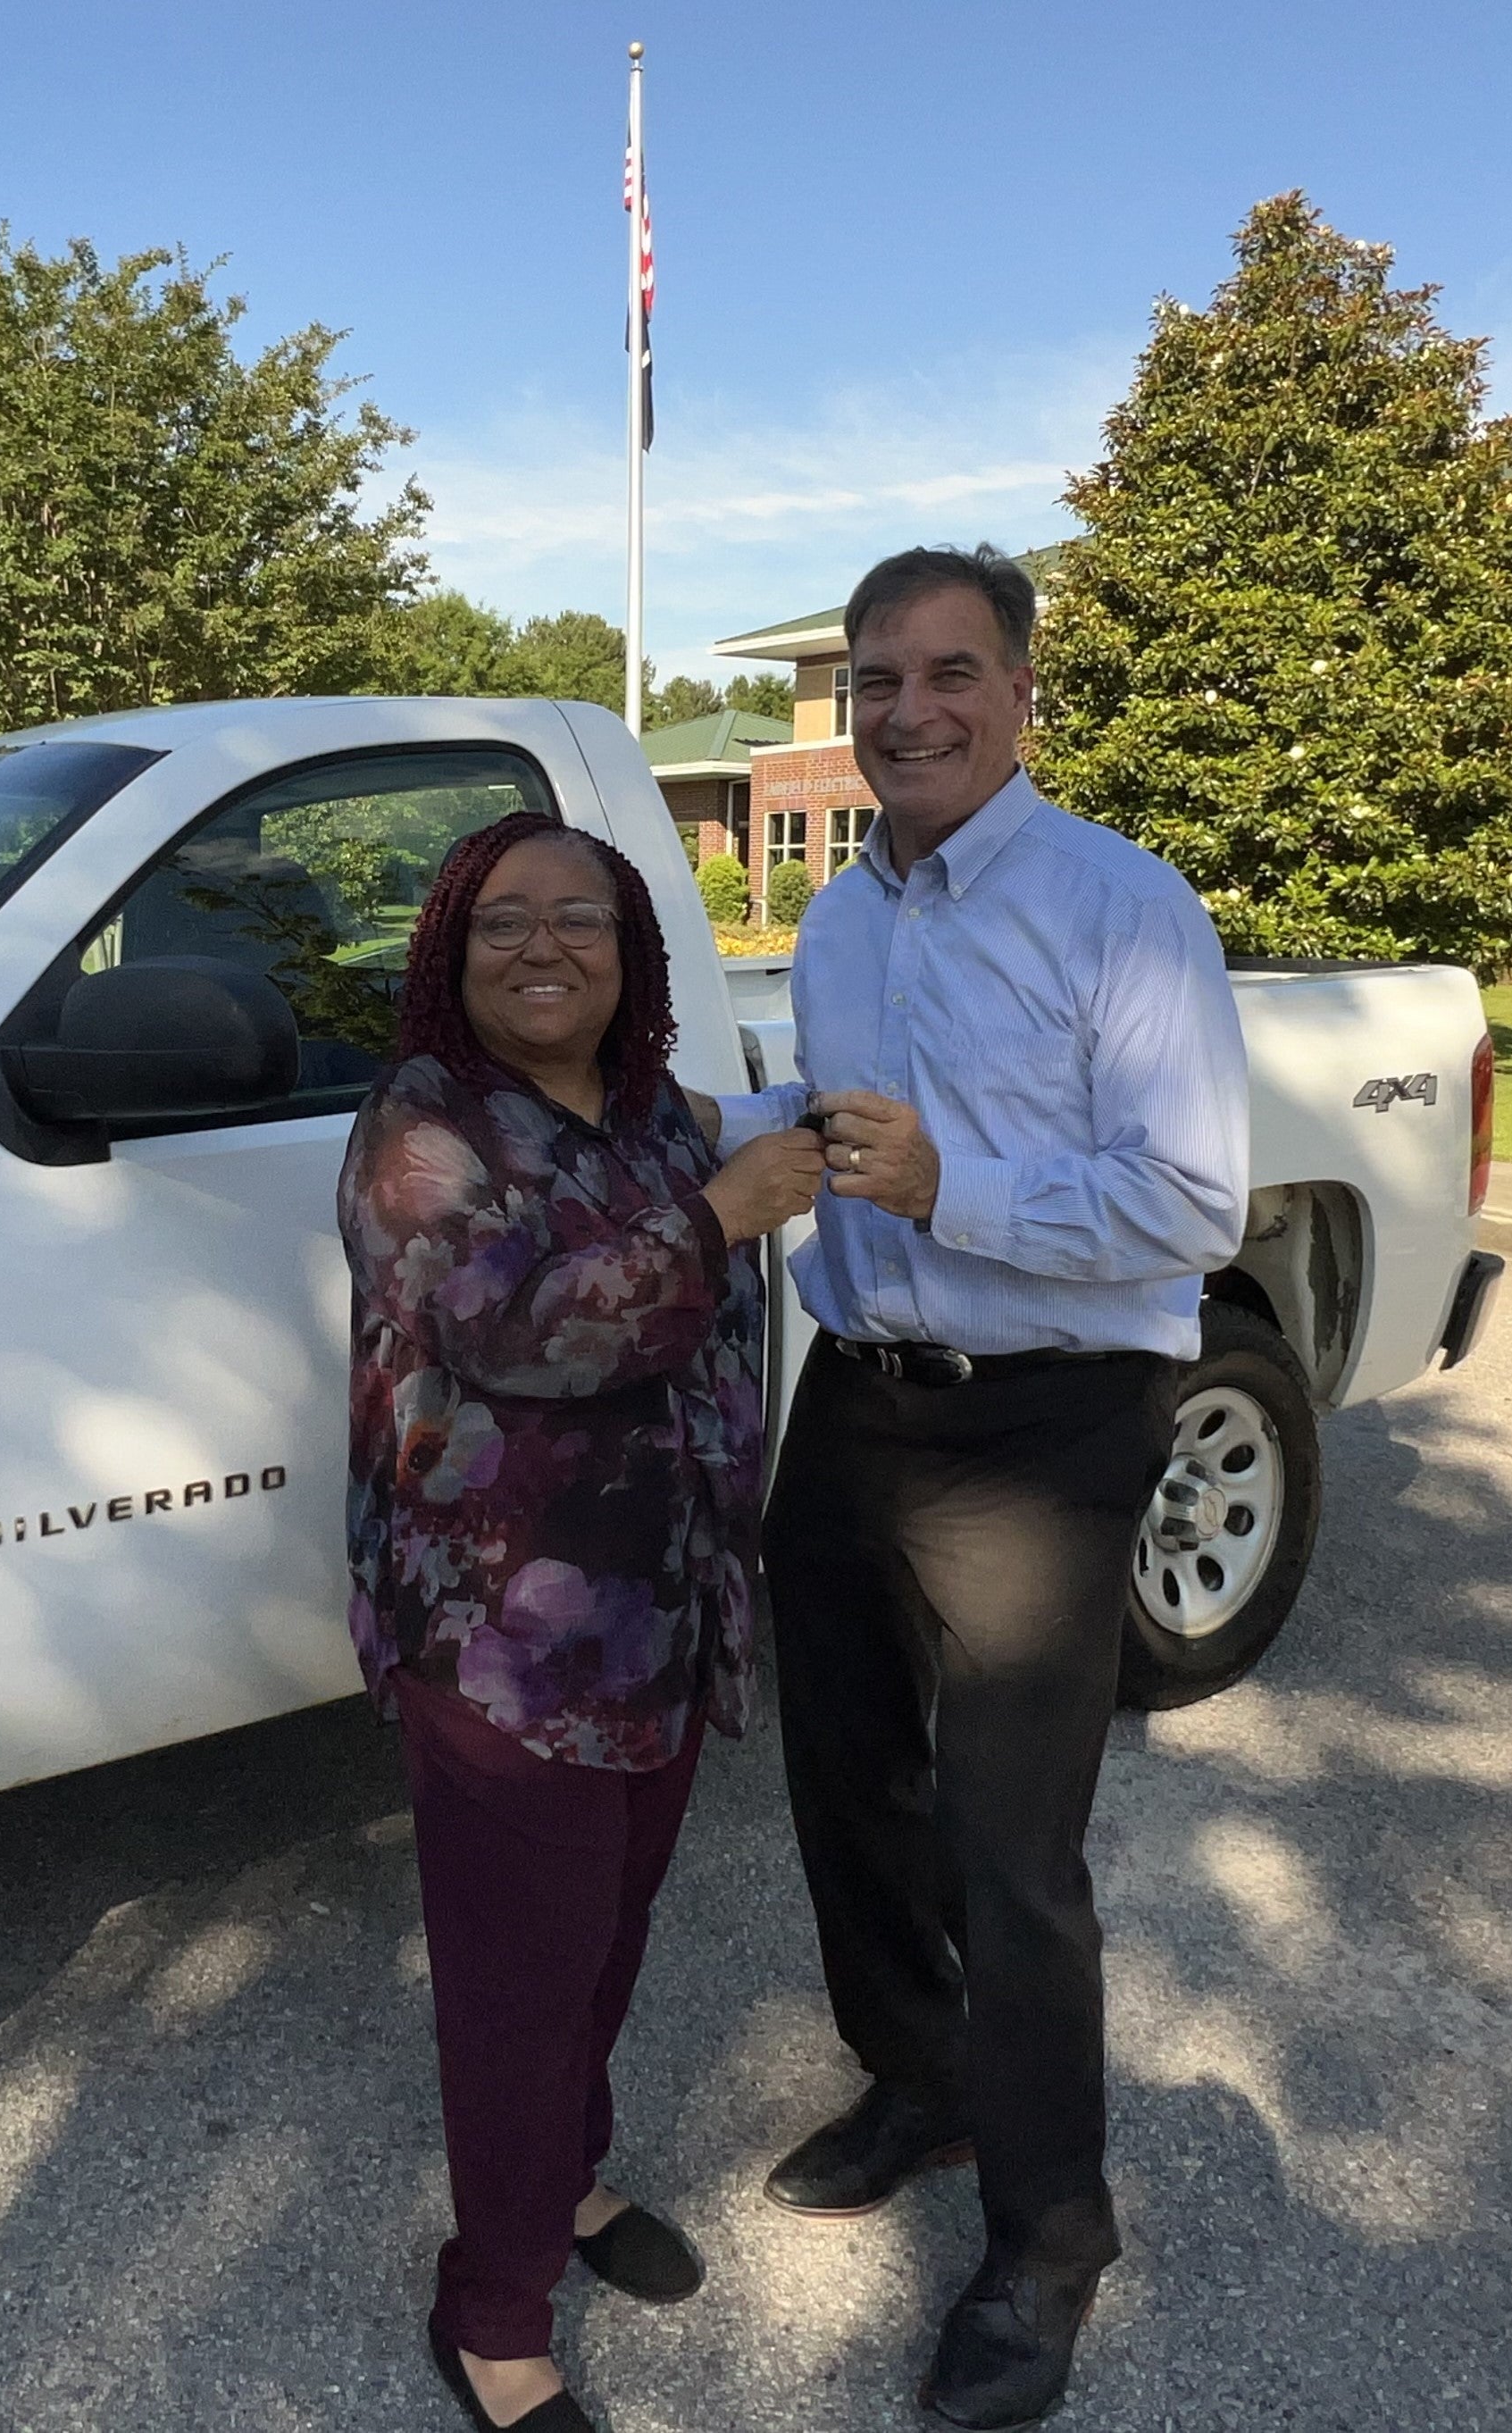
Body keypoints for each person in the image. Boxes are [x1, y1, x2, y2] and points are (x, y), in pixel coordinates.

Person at [706, 547, 1248, 2428]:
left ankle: (1047, 2238)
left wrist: (954, 1192)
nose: (903, 711)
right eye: (871, 678)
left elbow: (1190, 1205)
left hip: (1048, 1425)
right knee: (841, 1778)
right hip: (859, 1405)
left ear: (1020, 693)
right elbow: (833, 1149)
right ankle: (917, 2077)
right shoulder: (842, 925)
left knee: (1010, 1853)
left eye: (946, 673)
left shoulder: (1119, 908)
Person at [338, 814, 825, 2433]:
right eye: (503, 924)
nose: (544, 949)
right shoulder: (419, 1133)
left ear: (631, 958)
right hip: (502, 1649)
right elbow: (517, 1331)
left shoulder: (642, 1116)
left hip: (663, 1623)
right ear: (449, 952)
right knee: (514, 1981)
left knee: (604, 1940)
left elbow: (751, 1168)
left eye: (583, 923)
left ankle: (564, 2183)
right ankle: (490, 2311)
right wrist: (718, 1219)